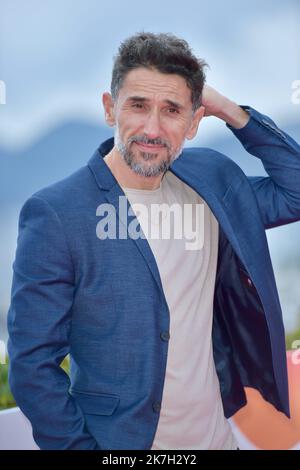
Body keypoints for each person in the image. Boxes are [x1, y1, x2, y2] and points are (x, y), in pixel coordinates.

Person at [7, 32, 300, 450]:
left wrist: (234, 113)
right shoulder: (56, 213)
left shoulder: (213, 182)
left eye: (172, 110)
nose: (152, 128)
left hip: (218, 440)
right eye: (138, 105)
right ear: (110, 109)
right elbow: (32, 365)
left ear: (195, 121)